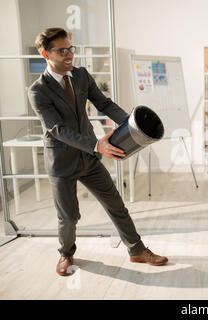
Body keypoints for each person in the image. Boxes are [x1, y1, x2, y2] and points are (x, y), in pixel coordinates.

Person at [28, 27, 168, 276]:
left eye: (71, 48)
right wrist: (96, 145)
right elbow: (56, 129)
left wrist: (132, 124)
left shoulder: (81, 76)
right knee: (69, 217)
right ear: (45, 54)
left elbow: (103, 103)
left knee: (116, 204)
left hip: (88, 158)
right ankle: (66, 253)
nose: (69, 54)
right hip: (61, 162)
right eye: (62, 51)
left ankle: (136, 250)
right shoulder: (38, 91)